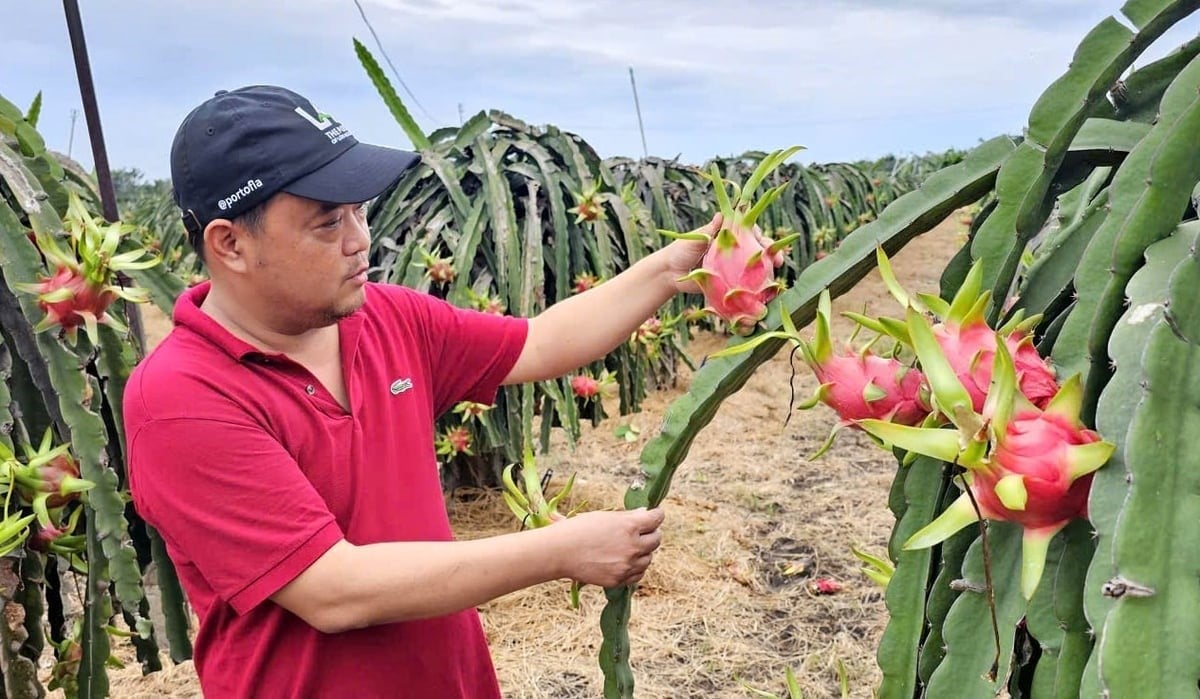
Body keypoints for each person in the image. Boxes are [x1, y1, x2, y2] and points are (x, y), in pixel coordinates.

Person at [122, 84, 745, 698]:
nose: (359, 239)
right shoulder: (180, 400)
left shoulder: (385, 318)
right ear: (230, 244)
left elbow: (541, 342)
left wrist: (669, 268)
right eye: (328, 221)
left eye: (360, 210)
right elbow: (333, 590)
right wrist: (560, 550)